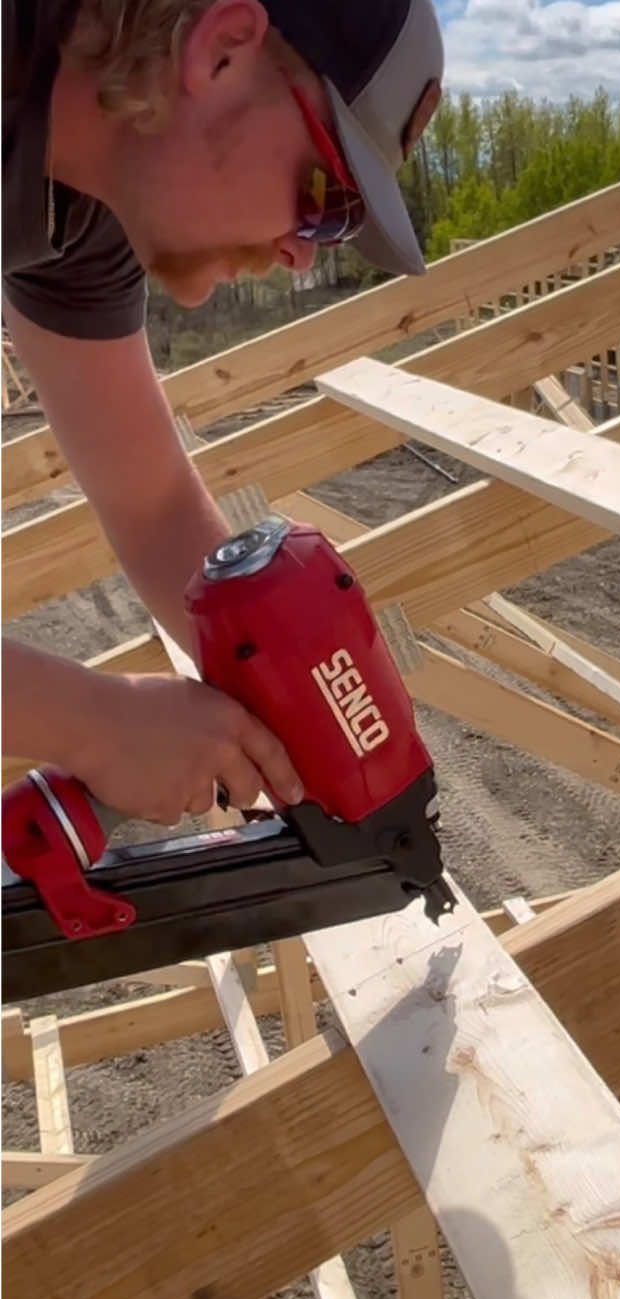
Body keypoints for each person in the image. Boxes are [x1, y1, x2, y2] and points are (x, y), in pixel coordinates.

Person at [2, 0, 444, 824]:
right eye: (325, 196)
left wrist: (320, 724)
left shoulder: (84, 207)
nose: (302, 252)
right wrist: (92, 723)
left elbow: (154, 507)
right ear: (222, 50)